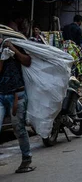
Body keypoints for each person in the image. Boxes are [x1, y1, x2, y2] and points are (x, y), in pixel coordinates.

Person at [0, 39, 34, 173]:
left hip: (17, 94)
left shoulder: (16, 45)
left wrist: (14, 50)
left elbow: (27, 61)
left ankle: (26, 159)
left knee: (19, 128)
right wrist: (2, 58)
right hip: (1, 95)